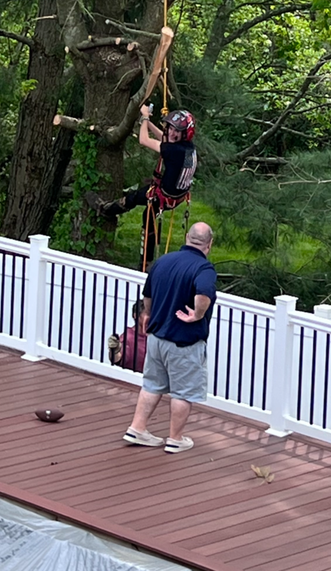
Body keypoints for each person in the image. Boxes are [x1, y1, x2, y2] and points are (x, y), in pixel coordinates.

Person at [123, 222, 216, 453]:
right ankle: (175, 438)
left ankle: (137, 428)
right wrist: (198, 314)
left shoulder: (163, 261)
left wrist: (148, 314)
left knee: (152, 384)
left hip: (157, 337)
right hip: (183, 341)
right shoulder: (204, 269)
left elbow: (148, 295)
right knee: (183, 392)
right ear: (209, 244)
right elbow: (204, 294)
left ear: (187, 238)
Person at [86, 106, 197, 269]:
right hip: (176, 195)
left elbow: (143, 140)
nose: (172, 133)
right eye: (171, 129)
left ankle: (105, 209)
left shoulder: (174, 151)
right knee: (148, 216)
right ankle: (147, 260)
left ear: (185, 134)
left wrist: (144, 118)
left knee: (135, 198)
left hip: (164, 196)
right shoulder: (187, 147)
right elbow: (165, 138)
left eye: (176, 131)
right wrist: (149, 123)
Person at [108, 300, 147, 372]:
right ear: (136, 316)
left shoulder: (156, 336)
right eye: (147, 313)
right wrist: (114, 350)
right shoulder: (128, 337)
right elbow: (117, 360)